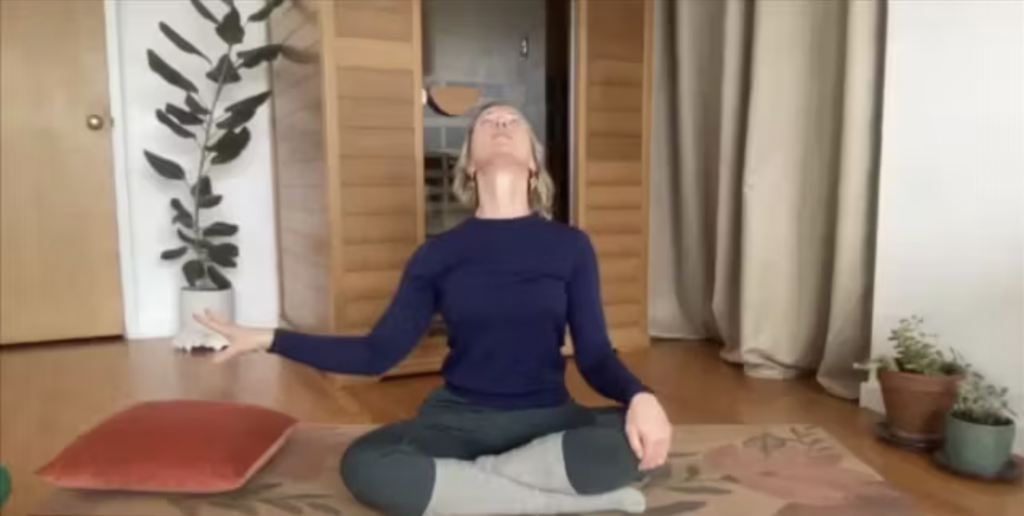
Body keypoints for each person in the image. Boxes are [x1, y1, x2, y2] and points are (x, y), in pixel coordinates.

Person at [198, 102, 672, 516]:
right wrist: (268, 338)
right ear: (469, 165)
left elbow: (594, 357)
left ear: (533, 163)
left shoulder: (570, 246)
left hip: (546, 417)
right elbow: (376, 354)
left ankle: (472, 486)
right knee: (364, 464)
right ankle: (552, 501)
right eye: (488, 122)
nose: (502, 123)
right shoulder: (437, 255)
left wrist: (642, 397)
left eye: (513, 122)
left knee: (643, 444)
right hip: (457, 421)